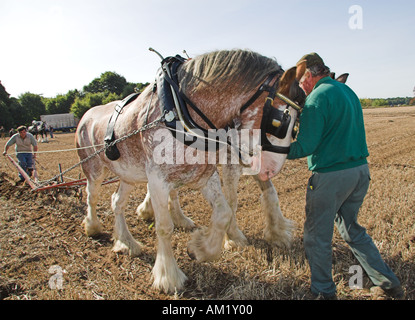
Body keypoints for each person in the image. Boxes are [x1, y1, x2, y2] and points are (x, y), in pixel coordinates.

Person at [287, 53, 403, 299]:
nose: (300, 87)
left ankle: (323, 292)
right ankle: (388, 282)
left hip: (331, 177)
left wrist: (272, 148)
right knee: (351, 229)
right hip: (360, 172)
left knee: (317, 238)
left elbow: (305, 147)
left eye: (300, 81)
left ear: (309, 75)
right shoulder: (347, 91)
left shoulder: (316, 98)